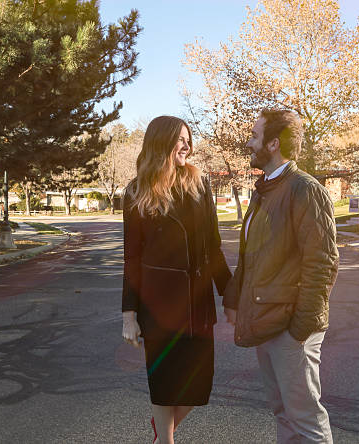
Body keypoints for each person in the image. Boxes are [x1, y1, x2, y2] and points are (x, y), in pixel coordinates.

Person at [223, 109, 339, 443]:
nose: (249, 142)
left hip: (292, 328)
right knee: (284, 413)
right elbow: (250, 256)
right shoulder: (264, 190)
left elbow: (322, 263)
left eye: (255, 136)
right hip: (267, 320)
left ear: (273, 144)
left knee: (306, 420)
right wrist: (234, 297)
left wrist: (301, 328)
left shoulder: (305, 189)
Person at [122, 116, 231, 444]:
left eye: (188, 139)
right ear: (161, 143)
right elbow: (132, 258)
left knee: (199, 385)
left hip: (197, 304)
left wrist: (231, 294)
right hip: (156, 306)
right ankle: (165, 441)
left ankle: (161, 436)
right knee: (165, 385)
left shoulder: (199, 183)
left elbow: (213, 245)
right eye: (180, 139)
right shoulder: (136, 191)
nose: (187, 146)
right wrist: (129, 315)